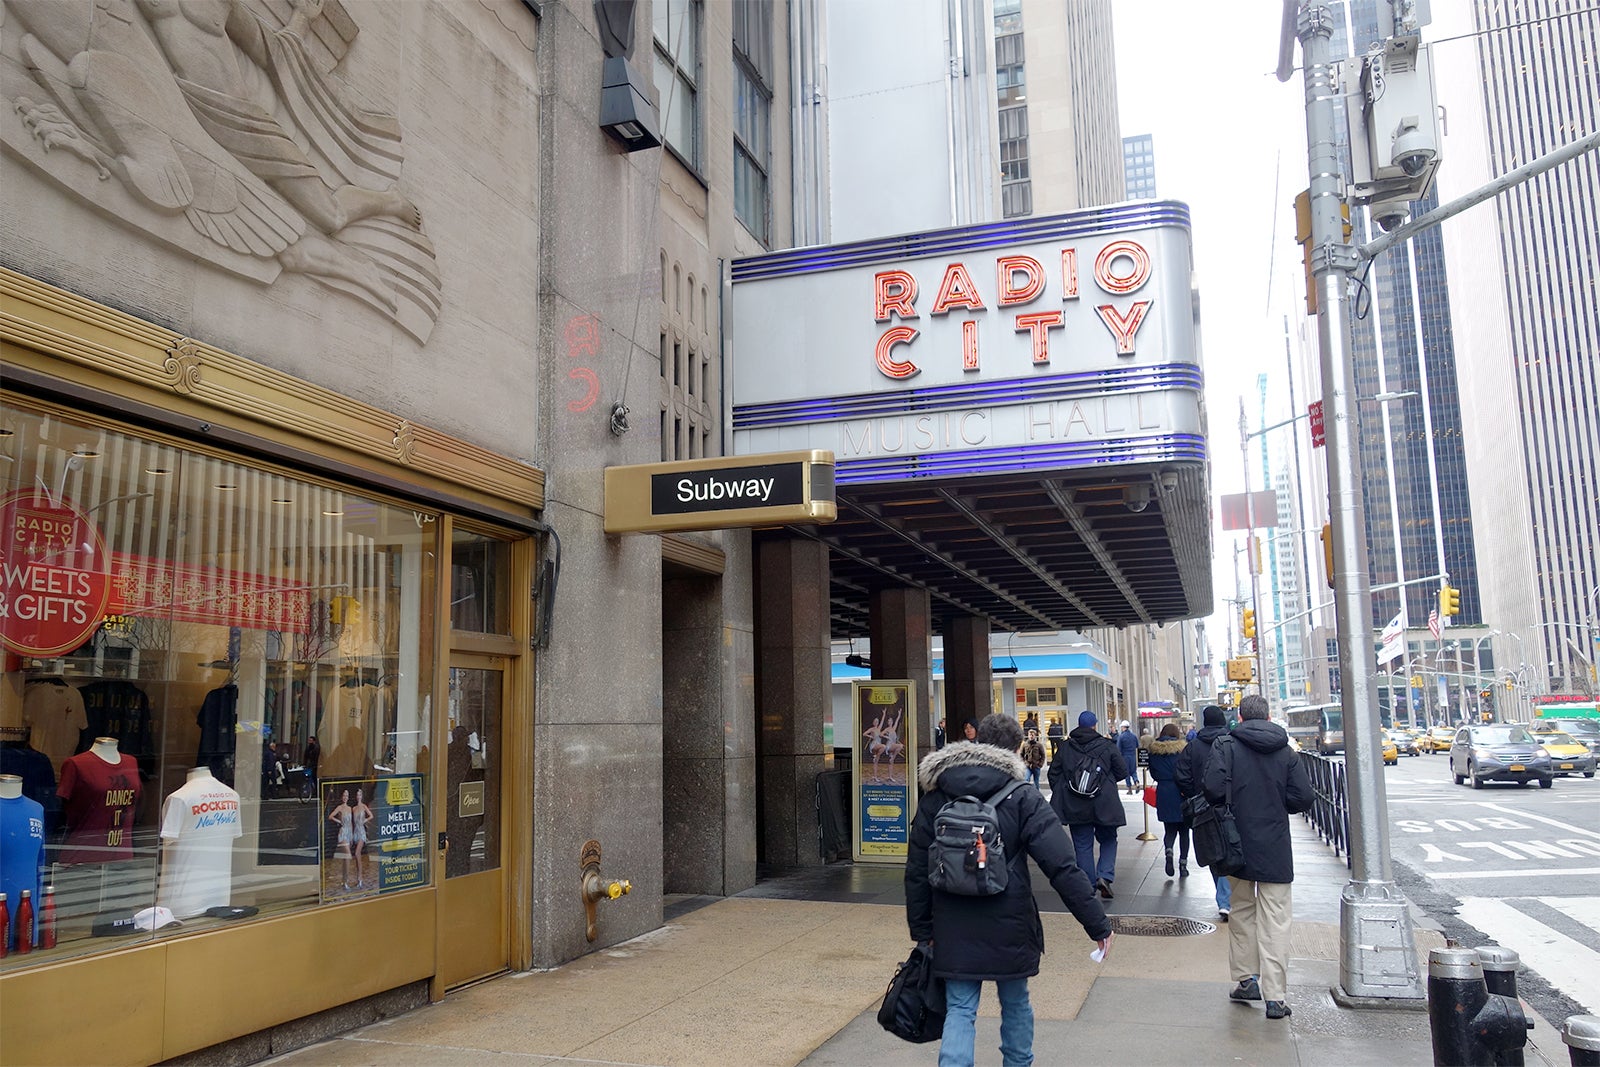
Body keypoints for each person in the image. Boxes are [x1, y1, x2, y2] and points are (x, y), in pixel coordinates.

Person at [906, 712, 1112, 1067]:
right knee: (1016, 1002)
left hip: (952, 921)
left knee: (960, 1009)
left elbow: (916, 869)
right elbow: (1062, 866)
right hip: (1010, 919)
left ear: (977, 741)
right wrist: (1097, 923)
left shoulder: (937, 794)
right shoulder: (1023, 797)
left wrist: (923, 930)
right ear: (1017, 747)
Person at [1203, 694, 1314, 1021]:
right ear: (1267, 717)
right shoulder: (1286, 751)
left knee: (1241, 912)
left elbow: (1210, 787)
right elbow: (1303, 797)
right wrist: (1279, 807)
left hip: (1236, 843)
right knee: (1276, 920)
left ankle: (1246, 980)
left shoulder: (1226, 746)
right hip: (1275, 846)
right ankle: (1276, 997)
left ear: (1239, 715)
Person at [1048, 711, 1127, 899]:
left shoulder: (1066, 747)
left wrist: (1068, 791)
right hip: (1104, 804)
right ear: (1094, 725)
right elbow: (1122, 771)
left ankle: (1087, 885)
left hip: (1076, 805)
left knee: (1082, 845)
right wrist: (1105, 783)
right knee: (1108, 839)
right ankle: (1105, 876)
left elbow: (1054, 773)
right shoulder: (1107, 746)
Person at [1176, 706, 1234, 920]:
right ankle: (1229, 898)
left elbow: (1181, 775)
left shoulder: (1193, 747)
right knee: (1232, 848)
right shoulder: (1233, 744)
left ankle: (1224, 899)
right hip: (1230, 804)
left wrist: (1195, 794)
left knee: (1213, 851)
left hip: (1203, 807)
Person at [1146, 723, 1189, 878]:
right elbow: (1187, 771)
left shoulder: (1153, 751)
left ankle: (1169, 851)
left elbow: (1153, 773)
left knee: (1169, 829)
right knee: (1184, 831)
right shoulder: (1182, 749)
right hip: (1181, 791)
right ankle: (1183, 865)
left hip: (1164, 791)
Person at [1116, 720, 1140, 795]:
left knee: (1126, 773)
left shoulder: (1121, 736)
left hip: (1125, 756)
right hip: (1133, 756)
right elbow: (1137, 745)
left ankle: (1129, 789)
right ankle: (1136, 782)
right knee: (1133, 771)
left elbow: (1118, 748)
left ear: (1123, 727)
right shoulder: (1134, 736)